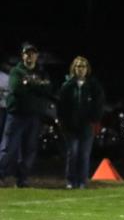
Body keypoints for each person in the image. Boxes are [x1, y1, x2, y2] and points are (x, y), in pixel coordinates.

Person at [0, 43, 53, 188]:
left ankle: (22, 179)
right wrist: (37, 86)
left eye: (32, 53)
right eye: (27, 53)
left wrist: (30, 84)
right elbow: (18, 89)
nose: (30, 56)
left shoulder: (42, 72)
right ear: (22, 55)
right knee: (8, 148)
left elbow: (48, 90)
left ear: (37, 55)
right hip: (17, 114)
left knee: (29, 149)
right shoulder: (16, 72)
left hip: (34, 116)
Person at [57, 56, 105, 189]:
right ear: (74, 68)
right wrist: (63, 122)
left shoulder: (93, 86)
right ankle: (71, 180)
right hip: (71, 126)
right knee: (72, 152)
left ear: (87, 69)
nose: (80, 69)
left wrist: (94, 120)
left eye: (83, 66)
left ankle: (82, 181)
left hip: (86, 125)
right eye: (78, 66)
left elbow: (99, 104)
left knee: (84, 154)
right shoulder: (68, 86)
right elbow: (61, 105)